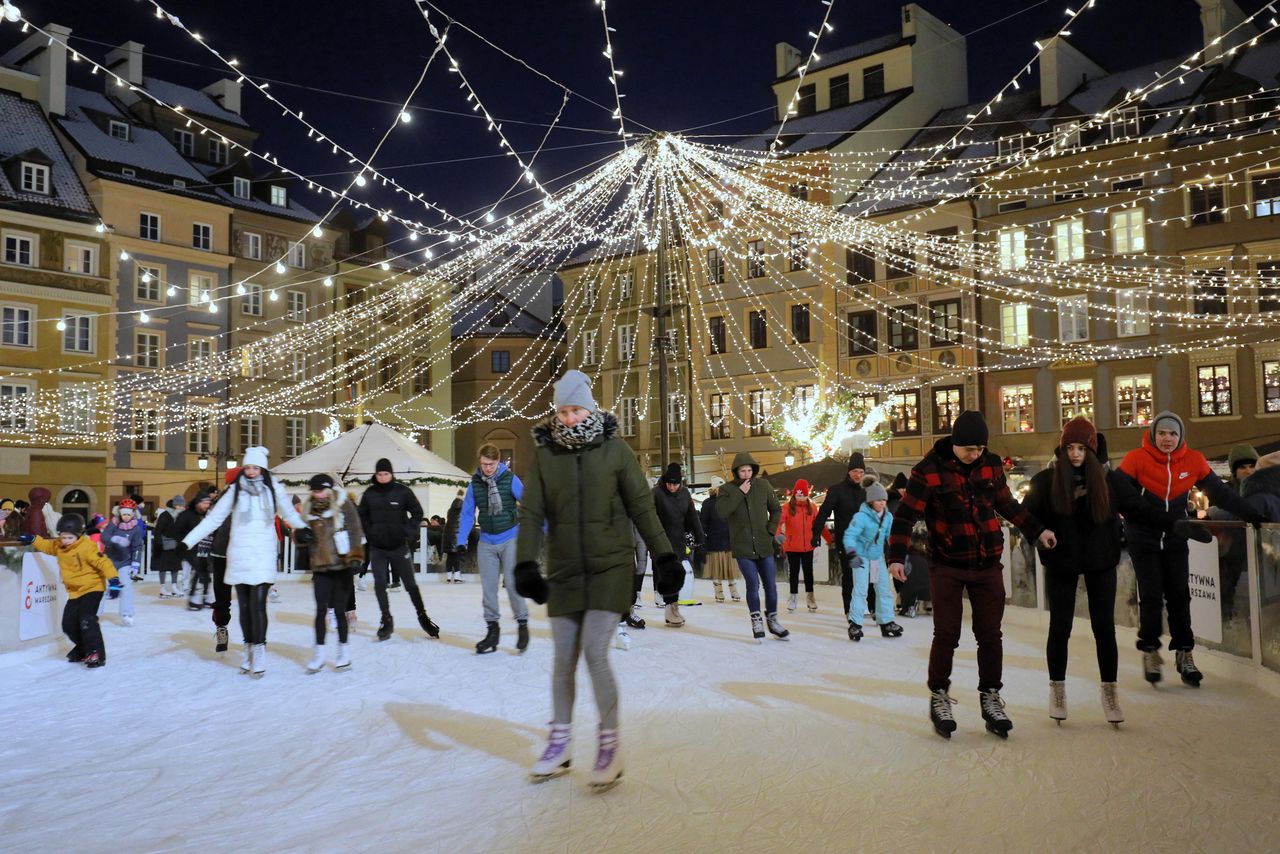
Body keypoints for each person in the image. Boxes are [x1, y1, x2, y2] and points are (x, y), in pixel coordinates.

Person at [515, 370, 678, 790]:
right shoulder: (546, 456)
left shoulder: (615, 451)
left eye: (575, 410)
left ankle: (609, 744)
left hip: (610, 566)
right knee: (562, 658)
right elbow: (532, 512)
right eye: (562, 411)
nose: (568, 418)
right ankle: (560, 742)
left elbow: (642, 507)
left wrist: (663, 555)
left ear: (589, 407)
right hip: (566, 569)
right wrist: (525, 564)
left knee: (594, 652)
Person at [886, 411, 1056, 739]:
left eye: (979, 448)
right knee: (947, 634)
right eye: (968, 449)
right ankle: (939, 696)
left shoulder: (991, 464)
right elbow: (905, 516)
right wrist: (896, 557)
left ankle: (991, 697)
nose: (974, 454)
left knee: (990, 635)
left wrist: (1038, 531)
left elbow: (1007, 505)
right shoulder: (928, 470)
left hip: (987, 563)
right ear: (954, 444)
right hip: (947, 564)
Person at [1023, 419, 1168, 725]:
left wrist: (1176, 524)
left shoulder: (1108, 481)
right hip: (1061, 563)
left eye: (1081, 448)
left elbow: (1140, 509)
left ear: (1091, 449)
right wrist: (1038, 532)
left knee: (1104, 628)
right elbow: (1025, 516)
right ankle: (1057, 690)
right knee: (1059, 627)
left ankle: (1110, 691)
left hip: (1100, 562)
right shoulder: (1046, 481)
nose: (1075, 454)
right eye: (1069, 448)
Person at [1114, 411, 1262, 687]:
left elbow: (1220, 492)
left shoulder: (1193, 460)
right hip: (1143, 537)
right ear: (1153, 435)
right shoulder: (1136, 458)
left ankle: (1185, 653)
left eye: (1172, 433)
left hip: (1175, 538)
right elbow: (1122, 496)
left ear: (1180, 436)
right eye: (1162, 433)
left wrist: (1253, 514)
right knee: (1150, 595)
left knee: (1180, 595)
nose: (1167, 438)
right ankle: (1149, 650)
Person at [180, 447, 309, 676]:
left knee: (258, 605)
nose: (250, 472)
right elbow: (213, 520)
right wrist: (187, 542)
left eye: (255, 467)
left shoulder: (273, 489)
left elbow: (289, 514)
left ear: (262, 469)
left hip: (262, 554)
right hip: (239, 554)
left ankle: (259, 651)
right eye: (247, 467)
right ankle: (249, 647)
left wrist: (304, 529)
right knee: (245, 607)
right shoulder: (235, 491)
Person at [456, 445, 528, 654]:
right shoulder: (475, 484)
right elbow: (468, 514)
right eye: (484, 464)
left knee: (513, 584)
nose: (487, 468)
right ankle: (492, 632)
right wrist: (461, 541)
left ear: (498, 462)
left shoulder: (511, 480)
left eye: (491, 464)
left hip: (510, 538)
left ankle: (522, 625)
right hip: (486, 541)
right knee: (489, 590)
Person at [22, 515, 121, 667]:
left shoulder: (87, 547)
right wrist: (33, 539)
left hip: (92, 588)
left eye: (69, 537)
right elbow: (48, 547)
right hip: (75, 591)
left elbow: (103, 562)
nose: (65, 541)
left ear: (79, 535)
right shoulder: (59, 546)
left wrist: (113, 580)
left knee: (87, 619)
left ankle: (96, 653)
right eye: (63, 537)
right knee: (68, 625)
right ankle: (83, 649)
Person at [360, 458, 438, 643]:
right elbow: (362, 516)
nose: (383, 477)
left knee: (410, 585)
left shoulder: (402, 492)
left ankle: (422, 616)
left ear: (392, 474)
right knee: (380, 584)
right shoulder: (370, 494)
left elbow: (418, 513)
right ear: (376, 475)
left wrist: (408, 532)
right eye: (380, 474)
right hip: (378, 548)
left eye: (386, 474)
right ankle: (386, 619)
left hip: (398, 546)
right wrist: (370, 533)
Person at [716, 451, 787, 642]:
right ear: (736, 472)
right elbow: (722, 512)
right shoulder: (727, 490)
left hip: (764, 545)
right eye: (742, 471)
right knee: (752, 584)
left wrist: (771, 531)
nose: (746, 474)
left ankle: (772, 620)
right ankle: (756, 619)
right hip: (743, 547)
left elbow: (776, 509)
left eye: (749, 470)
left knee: (771, 586)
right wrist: (740, 493)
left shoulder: (763, 485)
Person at [300, 474, 363, 673]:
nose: (318, 495)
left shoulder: (343, 504)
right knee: (320, 610)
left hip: (341, 566)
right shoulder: (308, 508)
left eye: (321, 490)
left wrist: (355, 557)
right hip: (320, 567)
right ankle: (319, 655)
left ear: (329, 489)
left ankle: (343, 652)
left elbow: (355, 530)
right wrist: (300, 535)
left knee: (339, 610)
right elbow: (300, 531)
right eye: (315, 491)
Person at [811, 453, 869, 641]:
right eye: (855, 471)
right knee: (850, 577)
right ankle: (849, 612)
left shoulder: (867, 491)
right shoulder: (837, 490)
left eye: (861, 471)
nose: (858, 475)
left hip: (866, 541)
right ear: (848, 471)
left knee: (867, 577)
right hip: (847, 542)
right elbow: (823, 513)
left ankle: (868, 607)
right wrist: (815, 534)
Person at [843, 481, 903, 640]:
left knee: (883, 589)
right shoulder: (861, 517)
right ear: (870, 501)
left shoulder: (888, 517)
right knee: (861, 589)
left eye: (884, 500)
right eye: (878, 500)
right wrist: (852, 554)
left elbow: (891, 537)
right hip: (861, 558)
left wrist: (899, 555)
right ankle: (855, 624)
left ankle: (887, 622)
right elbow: (849, 536)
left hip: (876, 558)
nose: (882, 503)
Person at [651, 463, 704, 627]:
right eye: (669, 483)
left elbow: (692, 516)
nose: (672, 487)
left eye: (675, 484)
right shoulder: (656, 493)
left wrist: (699, 536)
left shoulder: (684, 494)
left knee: (678, 575)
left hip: (679, 541)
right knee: (668, 575)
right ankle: (669, 610)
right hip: (662, 540)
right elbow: (649, 517)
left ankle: (674, 608)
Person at [100, 500, 145, 627]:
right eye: (123, 514)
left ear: (133, 515)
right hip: (109, 560)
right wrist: (115, 539)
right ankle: (95, 613)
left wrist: (135, 563)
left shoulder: (135, 529)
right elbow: (104, 537)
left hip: (125, 562)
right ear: (119, 513)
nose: (126, 517)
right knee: (102, 586)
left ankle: (127, 614)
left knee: (126, 587)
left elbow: (137, 546)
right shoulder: (113, 524)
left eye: (128, 514)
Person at [778, 479, 818, 613]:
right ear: (794, 494)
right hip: (792, 546)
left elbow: (818, 525)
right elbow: (778, 522)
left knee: (808, 573)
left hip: (808, 546)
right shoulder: (786, 508)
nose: (800, 498)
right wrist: (778, 535)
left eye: (803, 495)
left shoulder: (812, 508)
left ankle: (810, 597)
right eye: (798, 495)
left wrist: (828, 539)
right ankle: (793, 597)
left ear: (807, 495)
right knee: (793, 572)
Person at [699, 476, 739, 604]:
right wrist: (702, 536)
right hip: (714, 541)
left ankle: (733, 590)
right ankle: (718, 591)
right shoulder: (707, 504)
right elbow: (703, 523)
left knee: (730, 569)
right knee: (716, 568)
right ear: (714, 489)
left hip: (729, 541)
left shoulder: (729, 502)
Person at [173, 492, 215, 611]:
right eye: (204, 503)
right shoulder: (187, 515)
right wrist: (184, 543)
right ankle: (193, 598)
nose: (207, 505)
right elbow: (176, 531)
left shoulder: (207, 515)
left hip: (203, 548)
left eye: (208, 503)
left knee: (205, 571)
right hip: (189, 549)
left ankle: (205, 596)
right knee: (201, 570)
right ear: (197, 503)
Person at [152, 495, 185, 598]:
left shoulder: (180, 516)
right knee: (163, 567)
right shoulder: (165, 515)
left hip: (176, 546)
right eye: (180, 505)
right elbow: (158, 530)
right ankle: (162, 587)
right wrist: (160, 544)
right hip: (165, 547)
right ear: (175, 506)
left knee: (175, 567)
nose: (181, 507)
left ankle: (174, 587)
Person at [444, 490, 465, 583]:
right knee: (457, 554)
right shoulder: (464, 507)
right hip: (458, 534)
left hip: (448, 534)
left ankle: (449, 577)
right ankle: (457, 576)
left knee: (450, 555)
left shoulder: (450, 509)